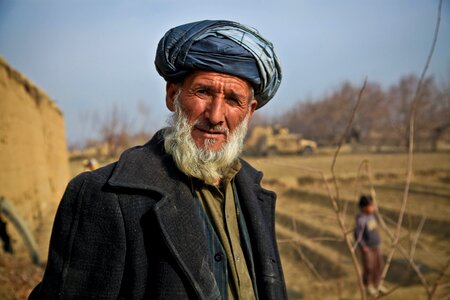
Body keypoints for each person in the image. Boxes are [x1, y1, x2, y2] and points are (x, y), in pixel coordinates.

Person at [29, 20, 287, 299]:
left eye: (233, 100)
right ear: (172, 95)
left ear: (248, 113)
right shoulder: (105, 196)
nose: (215, 116)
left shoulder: (253, 193)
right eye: (203, 92)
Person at [354, 195, 387, 297]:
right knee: (369, 267)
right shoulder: (360, 220)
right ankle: (368, 286)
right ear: (363, 207)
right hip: (367, 248)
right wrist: (363, 246)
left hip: (376, 246)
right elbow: (357, 234)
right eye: (370, 206)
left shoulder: (371, 216)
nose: (373, 207)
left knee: (379, 265)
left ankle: (377, 284)